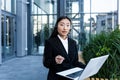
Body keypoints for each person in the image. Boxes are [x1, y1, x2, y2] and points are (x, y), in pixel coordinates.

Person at [43, 16, 86, 80]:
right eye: (62, 25)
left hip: (71, 77)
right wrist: (55, 60)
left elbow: (75, 62)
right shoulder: (50, 42)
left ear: (70, 28)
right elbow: (46, 63)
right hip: (56, 78)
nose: (65, 28)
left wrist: (87, 67)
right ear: (57, 26)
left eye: (67, 25)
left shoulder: (73, 43)